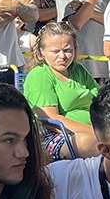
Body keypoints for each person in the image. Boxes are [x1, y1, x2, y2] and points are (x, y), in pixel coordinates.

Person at [23, 20, 101, 158]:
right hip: (54, 136)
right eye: (55, 51)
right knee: (94, 146)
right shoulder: (40, 75)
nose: (62, 56)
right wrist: (96, 133)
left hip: (95, 130)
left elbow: (101, 101)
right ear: (41, 52)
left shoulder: (78, 69)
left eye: (67, 50)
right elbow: (51, 120)